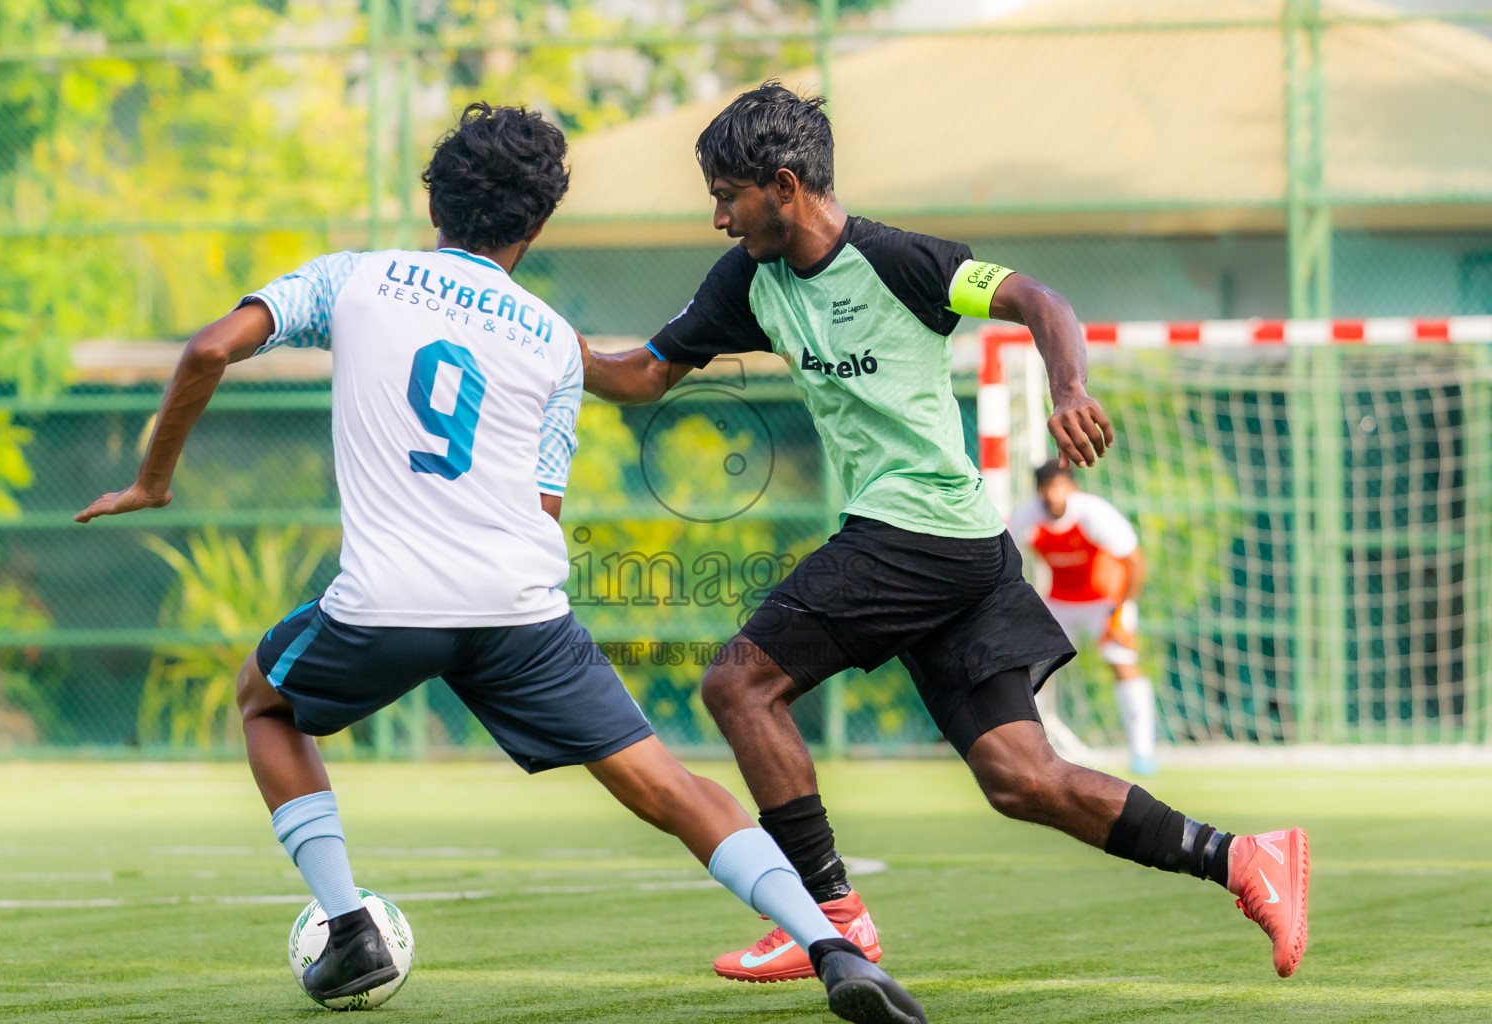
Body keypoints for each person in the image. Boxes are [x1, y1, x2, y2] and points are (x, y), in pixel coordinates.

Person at [76, 102, 926, 1024]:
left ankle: (348, 920)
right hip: (520, 605)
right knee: (669, 787)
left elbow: (210, 348)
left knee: (264, 700)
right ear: (536, 225)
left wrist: (153, 480)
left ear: (434, 200)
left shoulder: (352, 278)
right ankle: (832, 946)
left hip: (389, 602)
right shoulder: (552, 337)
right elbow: (541, 506)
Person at [580, 82, 1309, 984]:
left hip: (920, 528)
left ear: (784, 186)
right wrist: (553, 348)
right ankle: (1242, 858)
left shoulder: (903, 261)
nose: (720, 219)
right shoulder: (749, 282)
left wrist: (1070, 389)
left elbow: (1041, 300)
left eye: (728, 197)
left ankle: (829, 914)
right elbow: (644, 375)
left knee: (740, 685)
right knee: (1022, 778)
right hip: (955, 547)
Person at [1011, 464, 1159, 775]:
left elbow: (1135, 562)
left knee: (1121, 663)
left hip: (1108, 601)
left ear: (1072, 488)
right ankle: (1032, 752)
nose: (1053, 495)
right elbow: (1005, 558)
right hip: (1060, 602)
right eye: (1047, 487)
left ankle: (1143, 752)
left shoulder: (1095, 515)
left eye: (1059, 486)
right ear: (1038, 491)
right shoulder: (1027, 518)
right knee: (1035, 670)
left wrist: (1120, 612)